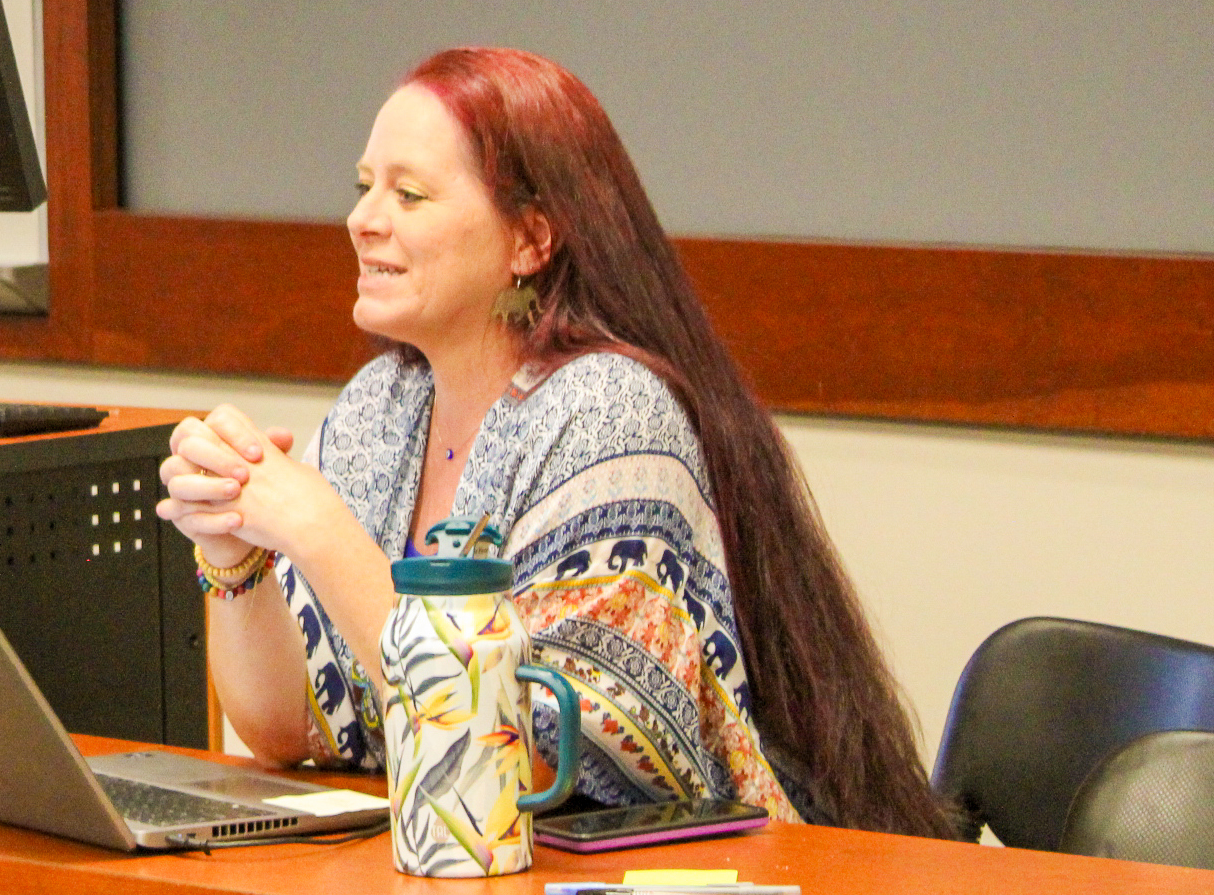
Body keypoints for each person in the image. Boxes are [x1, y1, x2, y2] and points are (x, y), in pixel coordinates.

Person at [155, 47, 952, 837]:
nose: (363, 220)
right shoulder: (380, 407)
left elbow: (522, 764)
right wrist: (235, 552)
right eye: (365, 188)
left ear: (531, 239)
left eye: (410, 193)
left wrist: (317, 532)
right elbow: (286, 728)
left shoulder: (610, 412)